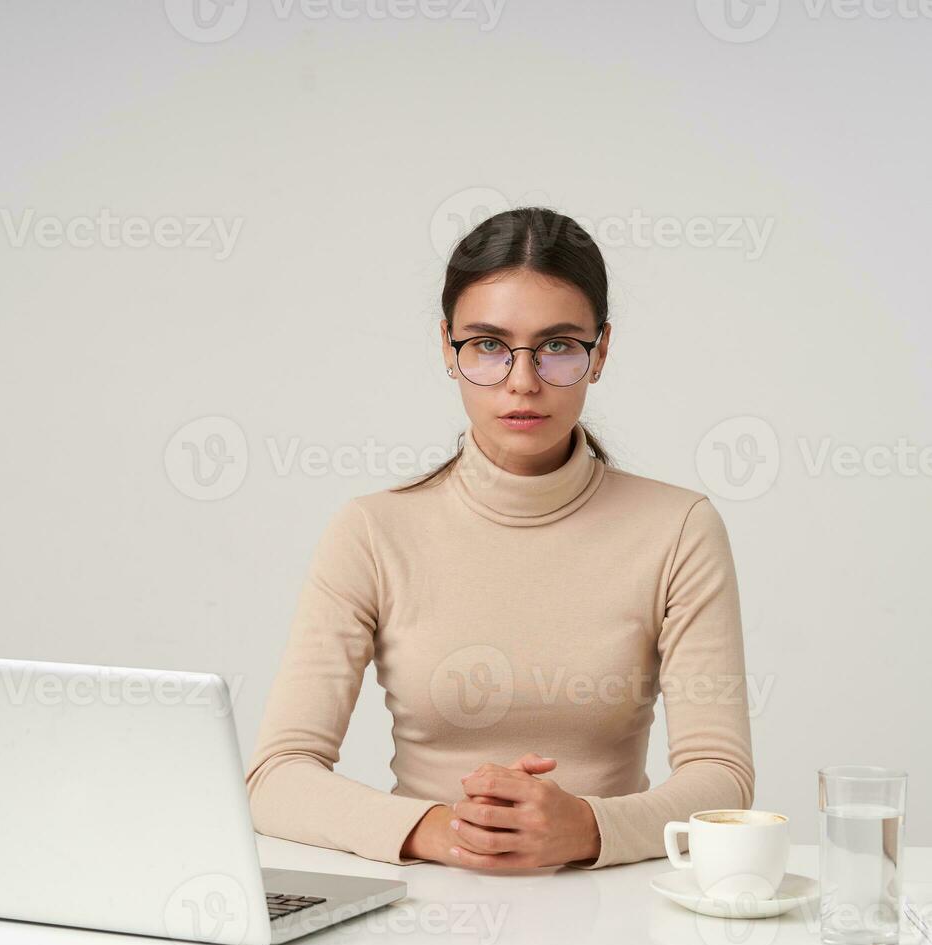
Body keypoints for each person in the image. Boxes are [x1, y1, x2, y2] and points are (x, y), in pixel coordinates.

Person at [245, 206, 755, 870]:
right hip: (424, 910)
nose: (522, 380)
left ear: (599, 352)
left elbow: (722, 780)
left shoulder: (678, 529)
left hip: (614, 913)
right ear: (447, 349)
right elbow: (276, 777)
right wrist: (436, 828)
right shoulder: (372, 531)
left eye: (558, 346)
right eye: (488, 345)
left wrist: (590, 828)